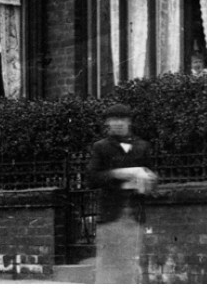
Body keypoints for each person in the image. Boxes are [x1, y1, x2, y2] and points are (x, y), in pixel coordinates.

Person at [88, 102, 157, 284]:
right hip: (111, 217)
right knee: (108, 268)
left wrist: (149, 180)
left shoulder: (143, 146)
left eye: (122, 119)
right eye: (112, 119)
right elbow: (92, 178)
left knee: (133, 268)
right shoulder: (100, 147)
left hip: (135, 217)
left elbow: (153, 176)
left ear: (129, 122)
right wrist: (121, 173)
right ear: (107, 124)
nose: (117, 123)